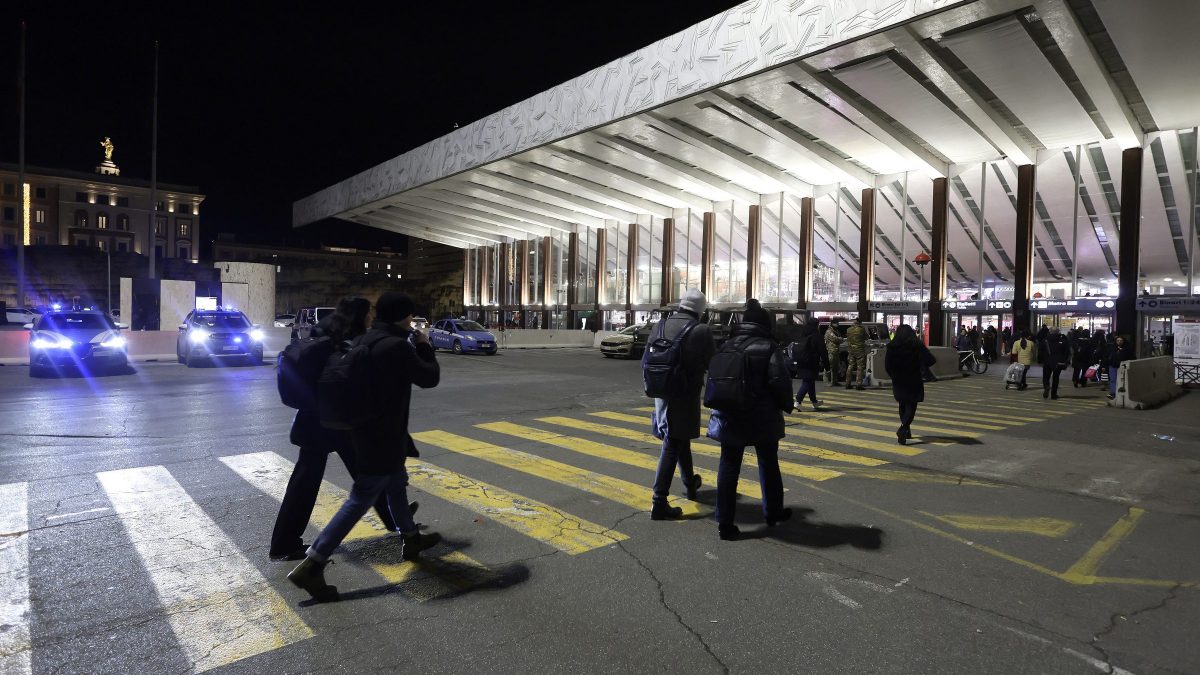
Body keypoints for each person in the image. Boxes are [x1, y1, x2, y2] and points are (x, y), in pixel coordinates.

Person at [288, 292, 442, 602]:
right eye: (410, 316)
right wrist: (424, 344)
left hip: (366, 432)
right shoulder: (395, 346)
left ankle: (411, 537)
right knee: (360, 499)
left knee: (396, 484)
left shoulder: (366, 339)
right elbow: (429, 377)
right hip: (383, 436)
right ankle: (313, 563)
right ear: (404, 317)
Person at [270, 297, 403, 561]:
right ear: (359, 316)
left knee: (309, 482)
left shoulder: (324, 331)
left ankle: (284, 543)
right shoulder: (345, 341)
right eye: (368, 313)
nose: (371, 318)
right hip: (335, 421)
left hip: (313, 420)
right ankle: (398, 520)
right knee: (364, 473)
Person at [706, 300, 794, 541]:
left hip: (729, 415)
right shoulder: (768, 346)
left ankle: (725, 523)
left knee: (728, 466)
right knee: (768, 463)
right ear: (764, 325)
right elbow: (779, 381)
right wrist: (787, 405)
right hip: (762, 416)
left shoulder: (727, 345)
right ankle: (773, 512)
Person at [647, 289, 715, 521]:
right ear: (701, 311)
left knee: (678, 438)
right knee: (673, 442)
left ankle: (689, 482)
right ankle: (659, 501)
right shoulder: (701, 330)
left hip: (660, 391)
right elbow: (713, 364)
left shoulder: (660, 325)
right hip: (684, 395)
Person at [884, 324, 935, 445]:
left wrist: (894, 376)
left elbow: (887, 366)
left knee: (902, 404)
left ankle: (906, 430)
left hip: (898, 380)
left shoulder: (892, 347)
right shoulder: (916, 345)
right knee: (911, 405)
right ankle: (904, 428)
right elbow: (930, 360)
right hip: (913, 378)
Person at [790, 317, 823, 411]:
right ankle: (798, 401)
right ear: (816, 325)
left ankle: (814, 402)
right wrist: (827, 366)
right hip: (811, 363)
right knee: (807, 382)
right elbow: (822, 351)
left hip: (800, 361)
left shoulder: (802, 333)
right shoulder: (816, 335)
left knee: (810, 381)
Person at [1039, 327, 1071, 400]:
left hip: (1047, 361)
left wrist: (1040, 360)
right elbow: (1066, 352)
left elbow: (1040, 351)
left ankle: (1046, 387)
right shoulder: (1062, 340)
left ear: (1050, 332)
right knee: (1056, 378)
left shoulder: (1045, 340)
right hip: (1058, 362)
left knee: (1046, 377)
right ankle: (1053, 394)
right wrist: (1065, 361)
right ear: (1058, 332)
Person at [1107, 334, 1135, 399]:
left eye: (1121, 340)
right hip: (1113, 365)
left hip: (1122, 366)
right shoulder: (1112, 348)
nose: (1119, 342)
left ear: (1123, 341)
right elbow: (1107, 356)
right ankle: (1113, 393)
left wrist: (1122, 351)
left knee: (1122, 381)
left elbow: (1131, 357)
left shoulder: (1127, 348)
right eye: (1118, 340)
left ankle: (1121, 393)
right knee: (1113, 380)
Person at [844, 316, 868, 390]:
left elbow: (848, 338)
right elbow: (866, 337)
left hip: (851, 351)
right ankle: (858, 384)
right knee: (860, 367)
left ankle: (847, 383)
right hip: (859, 351)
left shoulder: (848, 329)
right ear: (860, 323)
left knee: (850, 366)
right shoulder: (861, 329)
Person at [824, 319, 844, 385]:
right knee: (830, 366)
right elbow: (835, 339)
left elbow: (839, 338)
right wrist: (841, 339)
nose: (838, 325)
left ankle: (834, 381)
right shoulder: (829, 331)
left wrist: (840, 339)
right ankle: (827, 381)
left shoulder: (835, 331)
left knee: (835, 367)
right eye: (836, 323)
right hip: (831, 350)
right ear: (832, 324)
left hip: (835, 350)